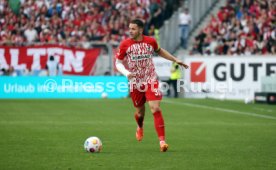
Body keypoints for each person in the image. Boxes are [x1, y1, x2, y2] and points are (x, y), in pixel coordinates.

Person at [115, 19, 189, 152]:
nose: (130, 31)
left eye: (133, 29)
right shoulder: (125, 44)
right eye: (129, 28)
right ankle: (140, 126)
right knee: (139, 113)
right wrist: (127, 73)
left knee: (155, 108)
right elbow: (118, 63)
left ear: (140, 30)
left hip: (150, 80)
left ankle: (162, 142)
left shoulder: (150, 41)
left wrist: (175, 59)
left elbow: (160, 51)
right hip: (135, 82)